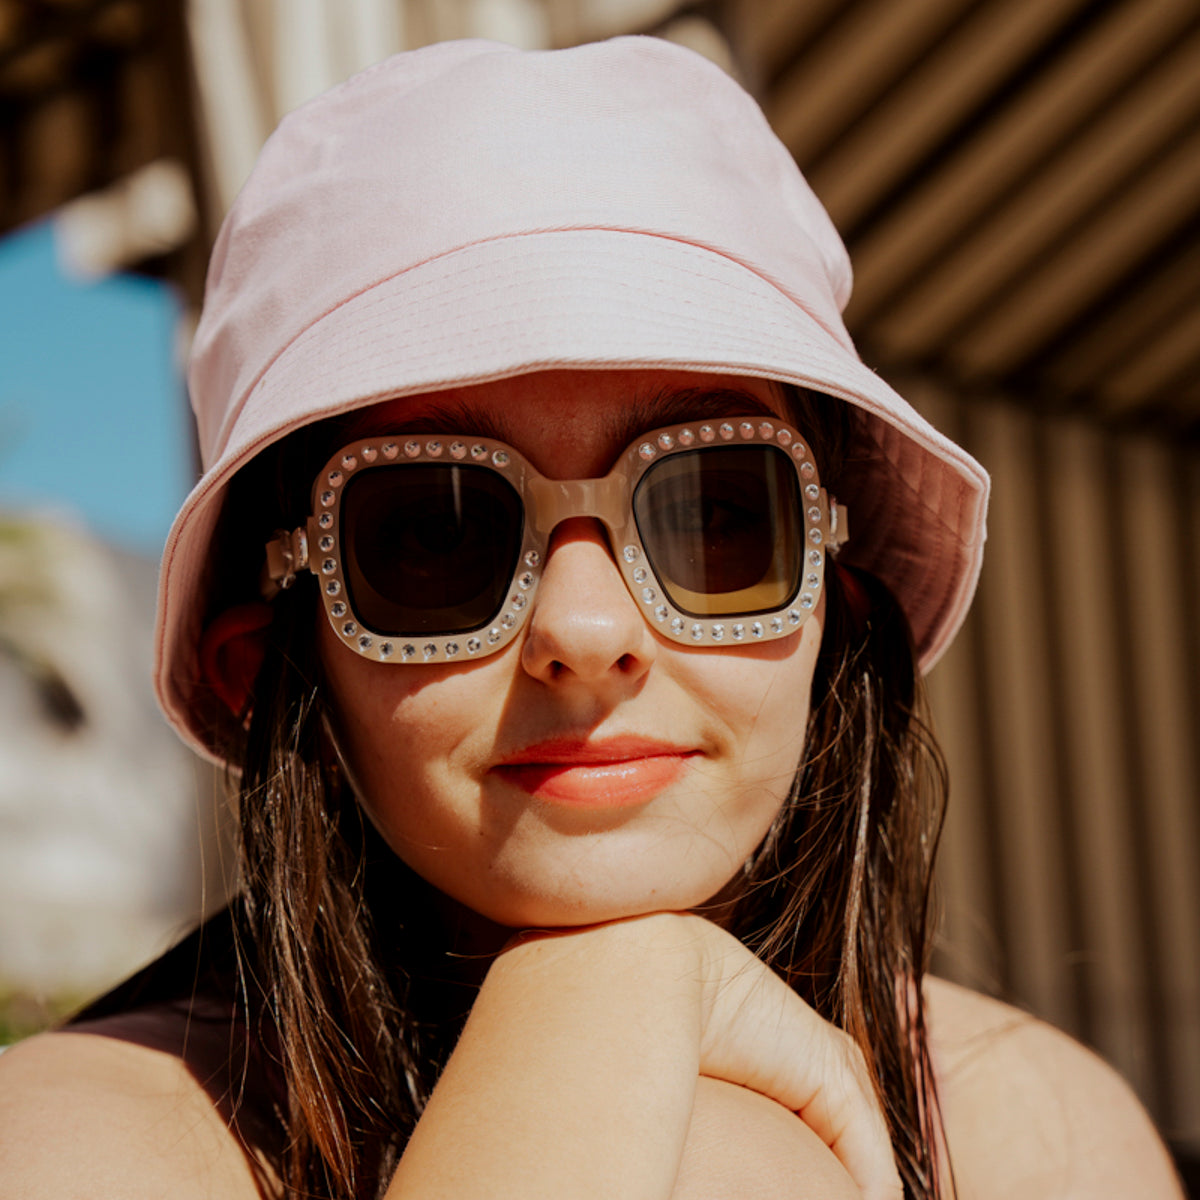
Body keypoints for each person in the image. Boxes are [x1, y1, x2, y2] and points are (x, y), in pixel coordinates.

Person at [0, 36, 1183, 1200]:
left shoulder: (1043, 1136)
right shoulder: (72, 1148)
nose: (584, 628)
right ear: (271, 667)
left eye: (715, 509)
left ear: (839, 601)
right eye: (433, 530)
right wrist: (608, 1006)